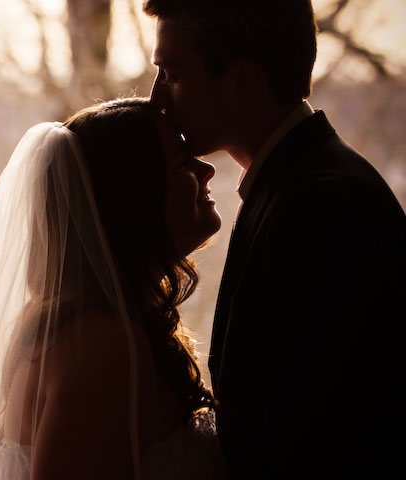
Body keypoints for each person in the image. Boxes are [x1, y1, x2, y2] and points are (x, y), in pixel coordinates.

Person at [144, 0, 406, 478]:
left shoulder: (324, 205)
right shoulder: (295, 186)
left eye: (173, 74)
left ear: (242, 79)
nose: (158, 97)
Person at [0, 98, 226, 479]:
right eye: (183, 163)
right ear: (134, 198)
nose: (207, 169)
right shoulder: (98, 344)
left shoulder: (96, 326)